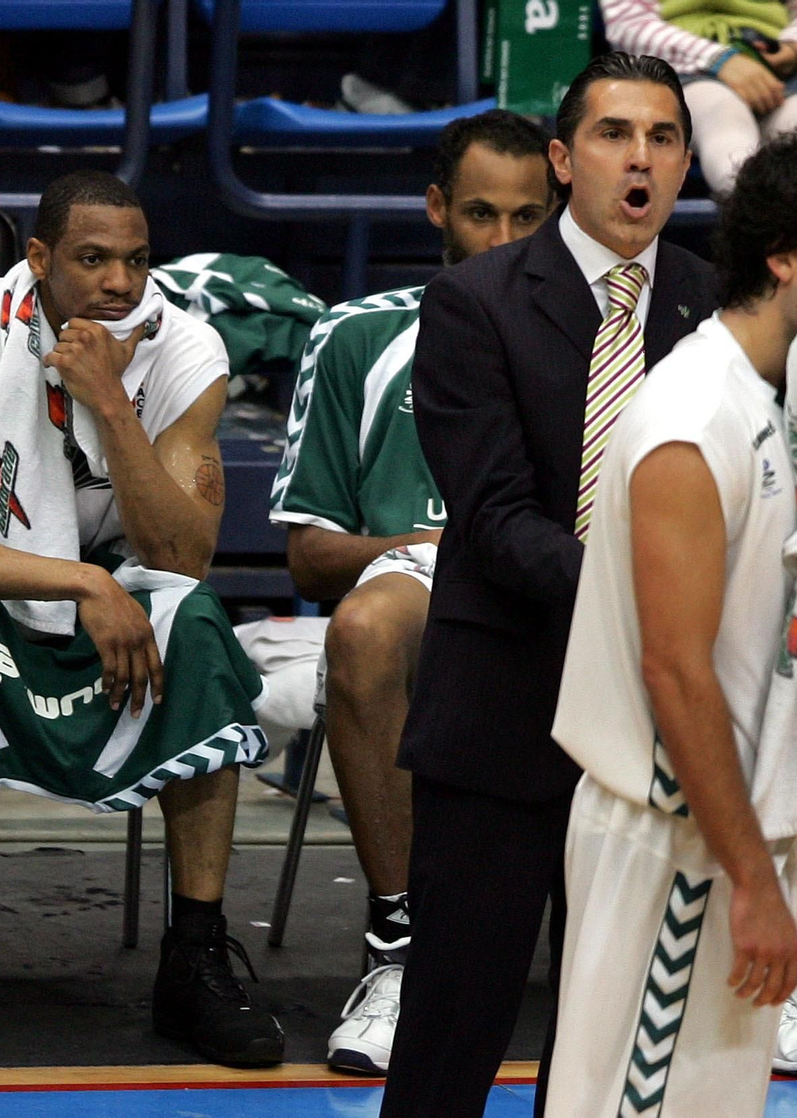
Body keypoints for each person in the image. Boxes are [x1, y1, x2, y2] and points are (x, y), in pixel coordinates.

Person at [545, 129, 797, 1118]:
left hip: (739, 831)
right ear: (785, 256)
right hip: (672, 837)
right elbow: (675, 675)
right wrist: (753, 884)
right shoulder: (690, 420)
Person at [0, 170, 283, 1065]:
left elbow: (182, 558)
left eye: (135, 260)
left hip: (120, 579)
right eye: (92, 260)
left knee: (197, 623)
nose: (119, 284)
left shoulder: (187, 352)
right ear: (40, 259)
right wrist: (81, 586)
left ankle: (195, 956)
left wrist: (111, 404)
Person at [379, 54, 719, 1118]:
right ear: (566, 159)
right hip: (505, 702)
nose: (642, 157)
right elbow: (493, 517)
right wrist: (647, 600)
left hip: (656, 716)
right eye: (617, 134)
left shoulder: (717, 307)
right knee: (454, 1022)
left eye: (663, 137)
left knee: (612, 1039)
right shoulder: (474, 300)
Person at [268, 109, 556, 1074]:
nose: (504, 241)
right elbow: (308, 553)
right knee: (362, 627)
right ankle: (400, 946)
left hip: (566, 577)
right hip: (427, 570)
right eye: (481, 214)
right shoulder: (359, 333)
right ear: (437, 210)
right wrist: (433, 541)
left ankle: (727, 951)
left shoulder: (603, 330)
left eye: (528, 217)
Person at [600, 0, 797, 193]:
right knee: (722, 113)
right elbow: (629, 24)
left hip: (775, 66)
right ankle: (759, 227)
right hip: (679, 66)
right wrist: (719, 60)